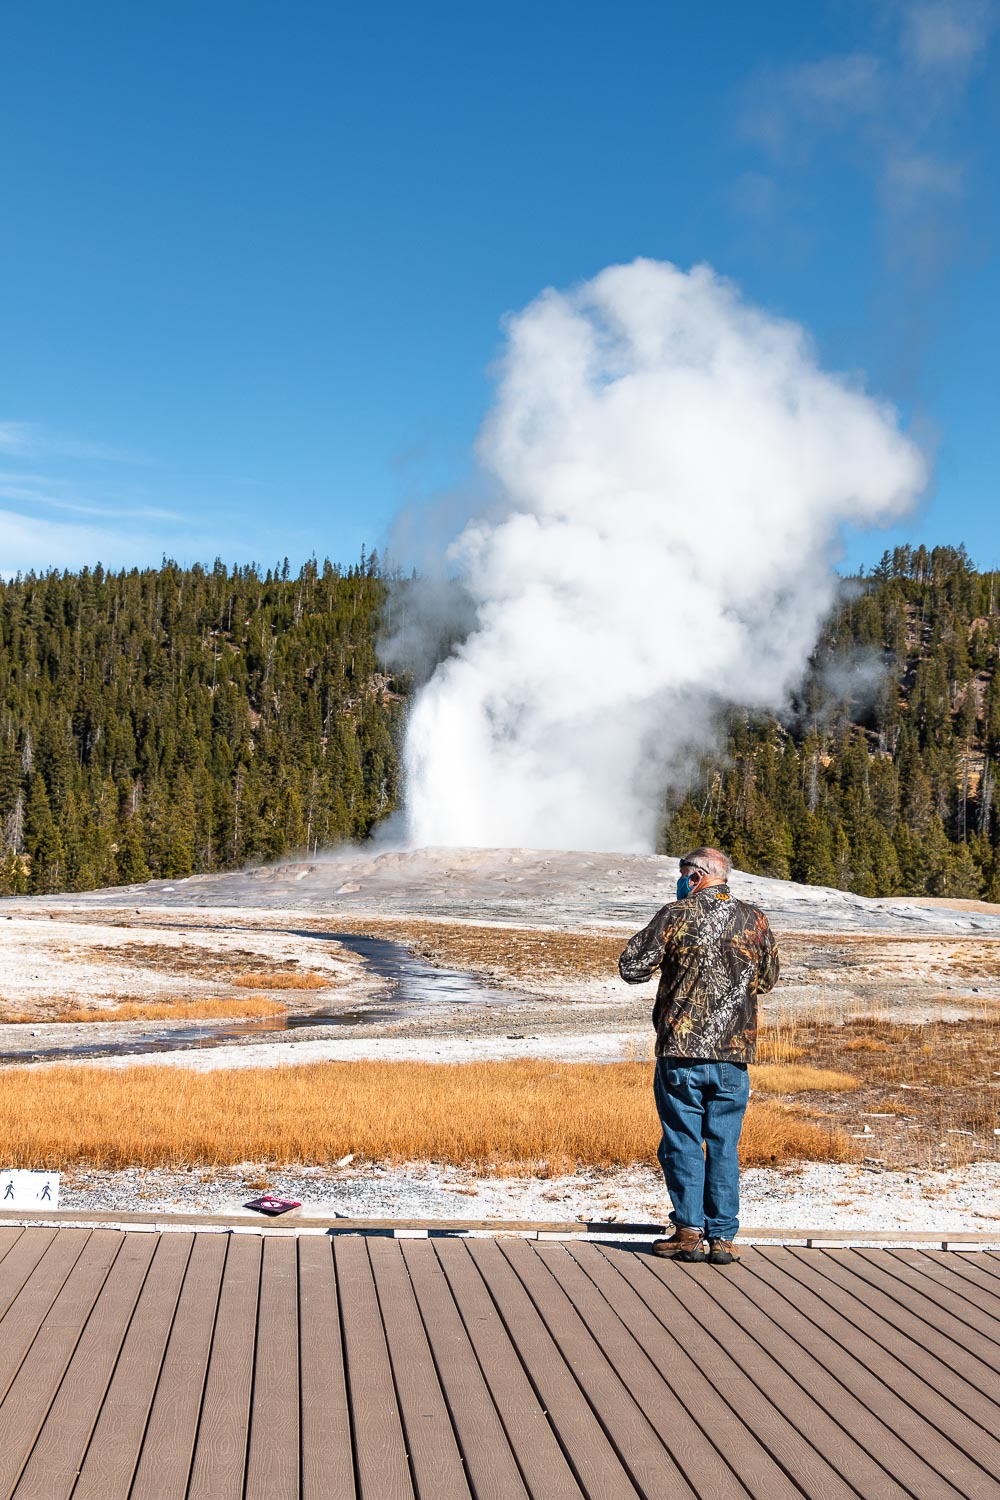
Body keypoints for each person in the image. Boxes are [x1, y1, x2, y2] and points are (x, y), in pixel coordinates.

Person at [619, 846, 779, 1266]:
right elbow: (767, 979)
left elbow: (632, 967)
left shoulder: (677, 914)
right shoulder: (755, 919)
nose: (679, 883)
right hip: (733, 1055)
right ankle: (723, 1237)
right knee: (724, 1144)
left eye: (680, 875)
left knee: (683, 1141)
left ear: (694, 877)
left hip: (682, 1051)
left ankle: (689, 1230)